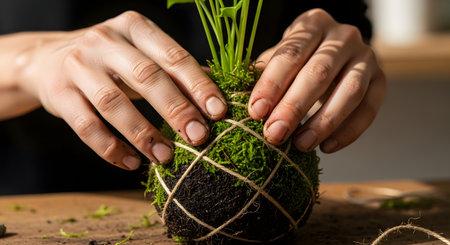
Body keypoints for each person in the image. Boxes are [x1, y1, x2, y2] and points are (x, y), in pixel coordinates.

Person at [0, 0, 386, 194]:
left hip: (263, 164)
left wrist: (340, 58)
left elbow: (345, 23)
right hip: (35, 196)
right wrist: (25, 65)